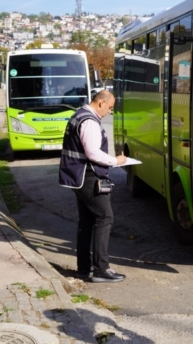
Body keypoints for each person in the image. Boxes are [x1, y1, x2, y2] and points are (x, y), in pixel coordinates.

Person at [59, 90, 128, 283]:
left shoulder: (78, 114)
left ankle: (84, 268)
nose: (109, 112)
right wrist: (116, 161)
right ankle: (101, 269)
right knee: (105, 217)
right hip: (89, 177)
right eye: (110, 108)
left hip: (79, 177)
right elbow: (92, 153)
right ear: (101, 103)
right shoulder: (89, 121)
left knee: (87, 222)